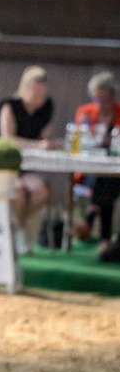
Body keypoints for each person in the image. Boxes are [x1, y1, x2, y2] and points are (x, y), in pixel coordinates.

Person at [0, 66, 59, 255]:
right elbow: (8, 139)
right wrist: (38, 146)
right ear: (25, 88)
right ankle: (20, 231)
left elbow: (44, 138)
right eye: (37, 92)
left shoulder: (46, 107)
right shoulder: (10, 106)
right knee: (19, 191)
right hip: (5, 165)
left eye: (44, 92)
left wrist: (52, 144)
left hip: (29, 167)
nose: (41, 97)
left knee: (42, 191)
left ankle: (14, 225)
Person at [72, 71, 120, 257]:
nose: (99, 102)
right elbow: (78, 139)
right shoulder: (85, 112)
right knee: (105, 181)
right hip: (88, 171)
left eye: (103, 98)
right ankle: (104, 238)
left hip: (114, 171)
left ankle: (90, 218)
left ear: (112, 96)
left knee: (108, 180)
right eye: (95, 98)